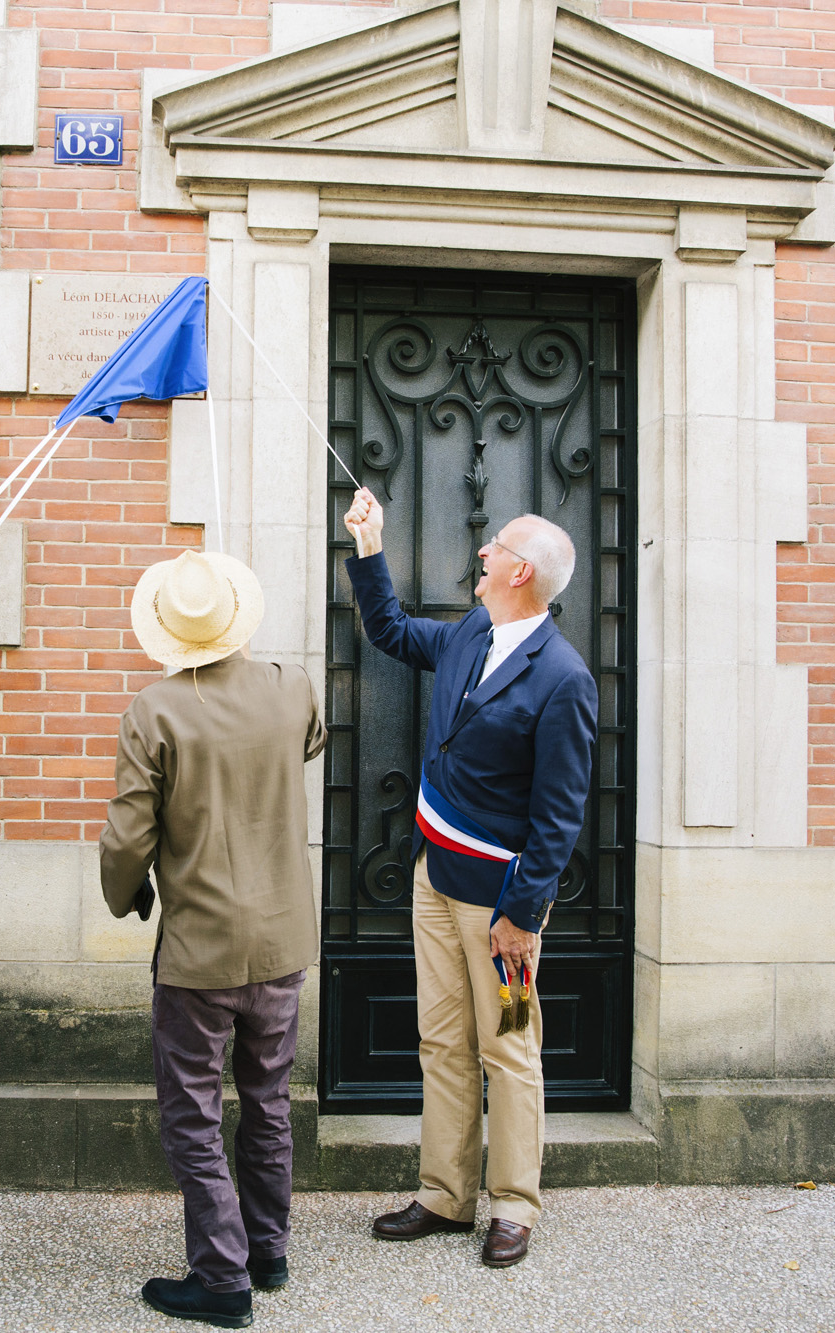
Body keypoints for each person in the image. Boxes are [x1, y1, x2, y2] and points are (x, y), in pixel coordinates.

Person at [342, 487, 596, 1269]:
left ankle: (514, 1204)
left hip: (502, 907)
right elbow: (386, 629)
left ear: (520, 571)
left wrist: (523, 913)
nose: (479, 552)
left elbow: (559, 816)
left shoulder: (563, 677)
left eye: (494, 547)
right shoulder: (472, 631)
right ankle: (445, 1194)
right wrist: (370, 545)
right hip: (433, 879)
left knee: (511, 1047)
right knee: (441, 1040)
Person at [100, 549, 327, 1329]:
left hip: (198, 946)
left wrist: (126, 895)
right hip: (282, 938)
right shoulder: (292, 686)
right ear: (238, 616)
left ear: (167, 631)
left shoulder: (154, 710)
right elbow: (309, 743)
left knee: (193, 1111)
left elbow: (127, 841)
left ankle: (221, 1276)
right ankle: (268, 1250)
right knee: (269, 1102)